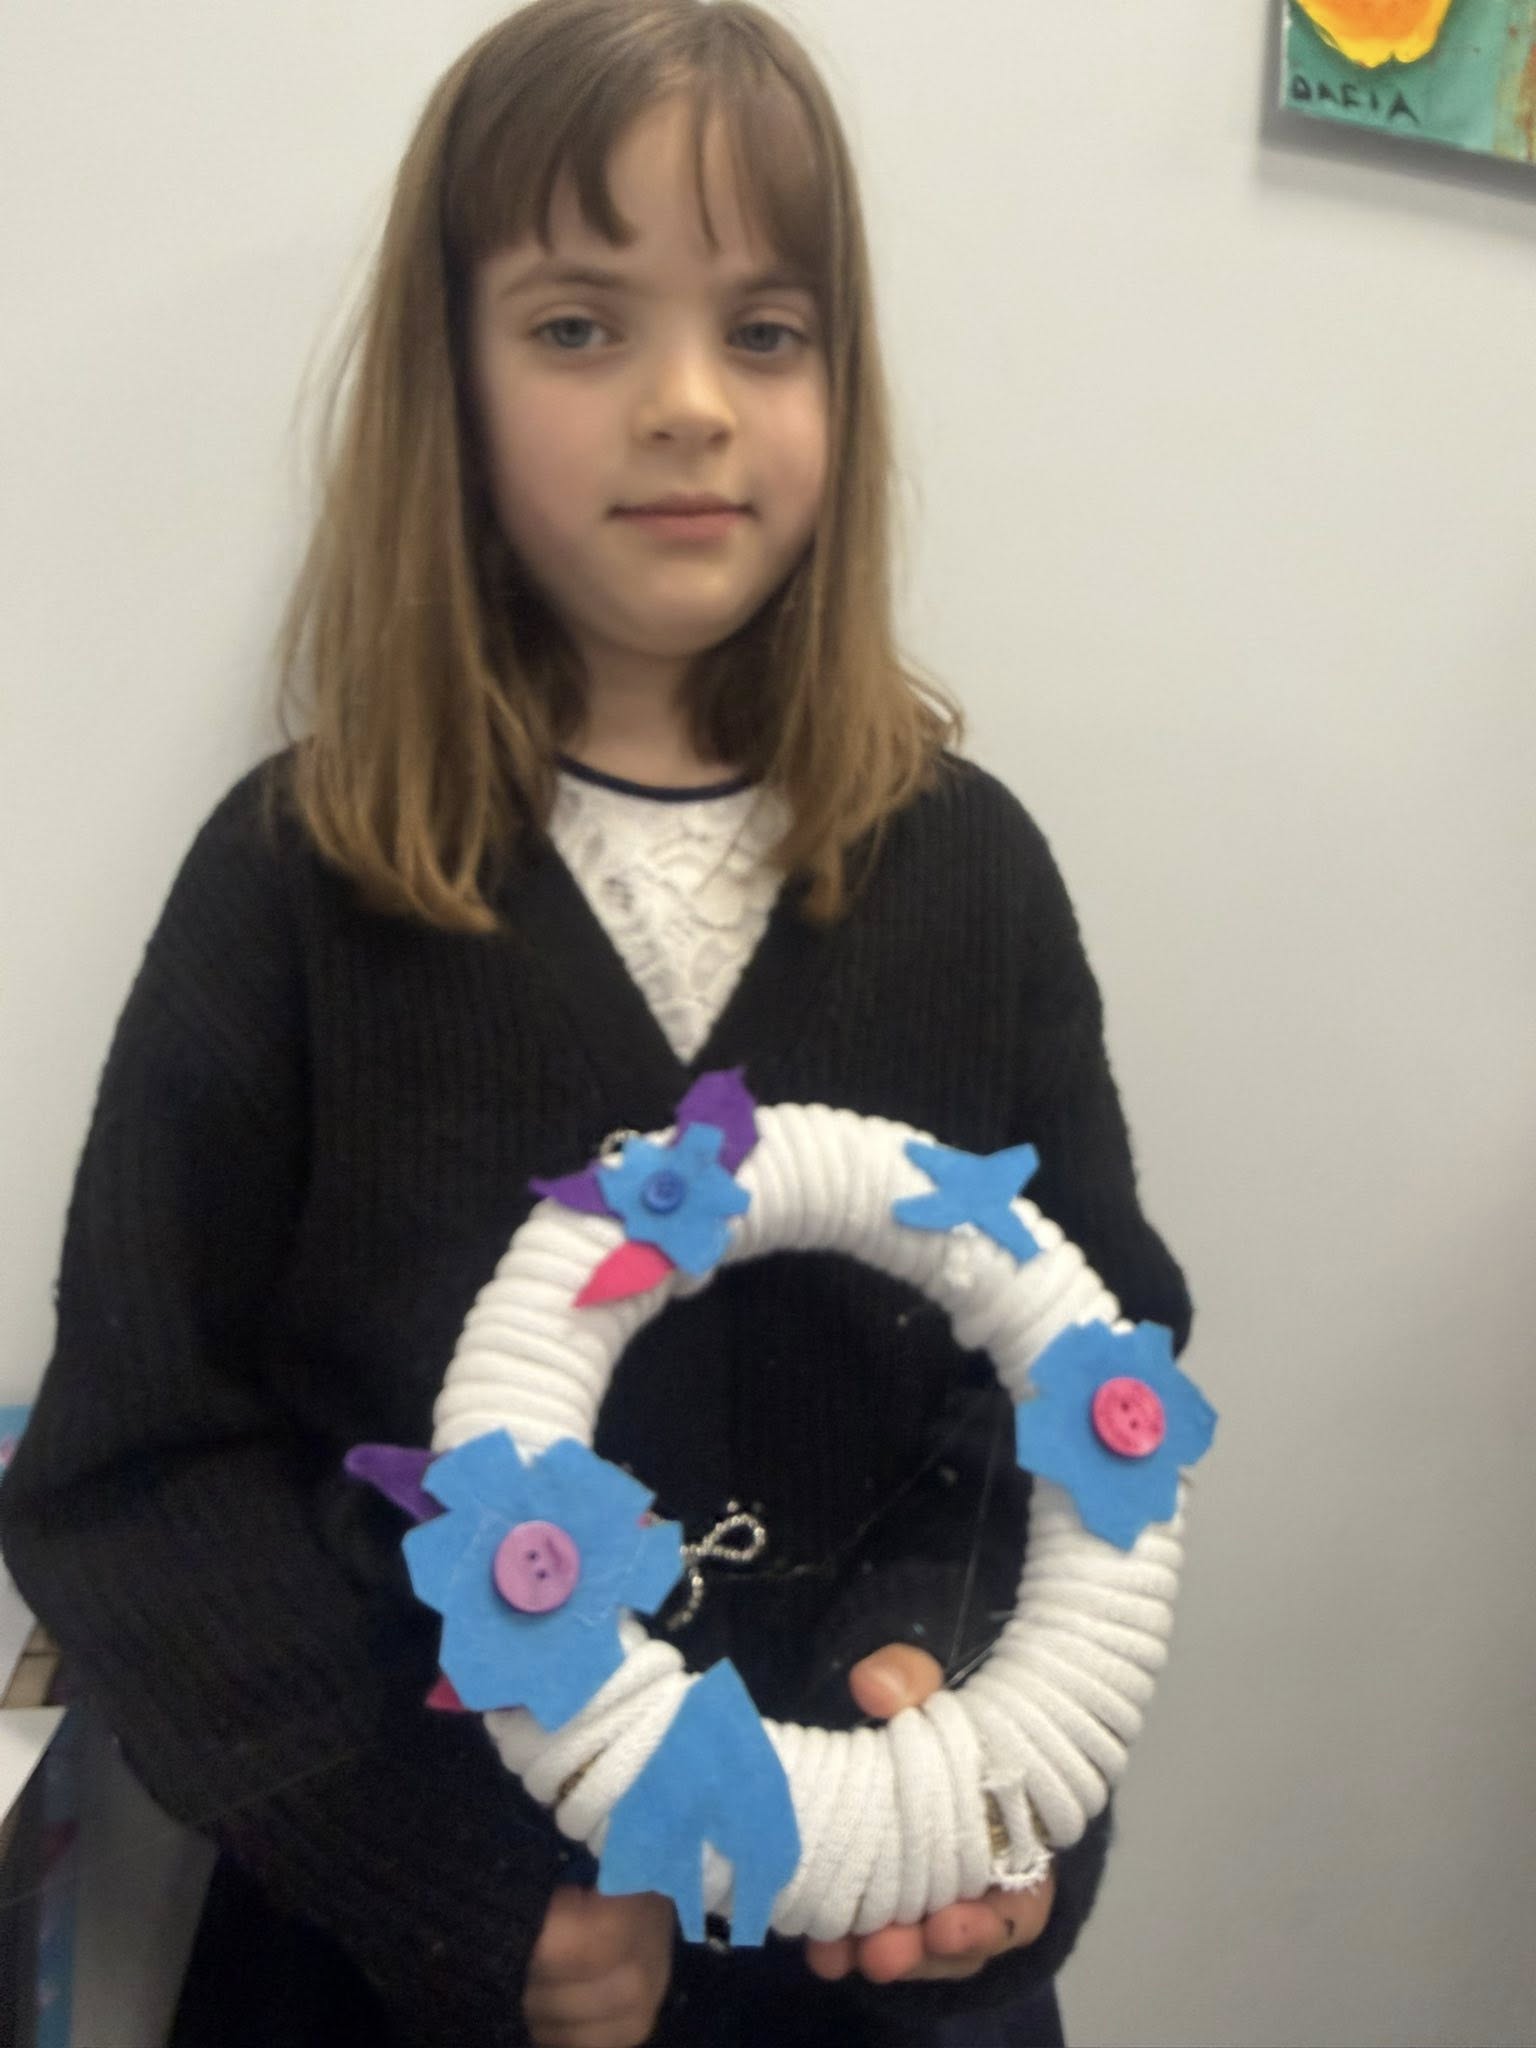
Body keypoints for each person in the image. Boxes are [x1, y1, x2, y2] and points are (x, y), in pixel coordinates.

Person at [0, 3, 1194, 2044]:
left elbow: (1082, 1380)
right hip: (399, 1972)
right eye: (578, 324)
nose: (689, 406)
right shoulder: (299, 881)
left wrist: (983, 1778)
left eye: (767, 330)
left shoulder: (973, 878)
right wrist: (449, 1884)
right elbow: (140, 1471)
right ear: (451, 376)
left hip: (863, 1968)